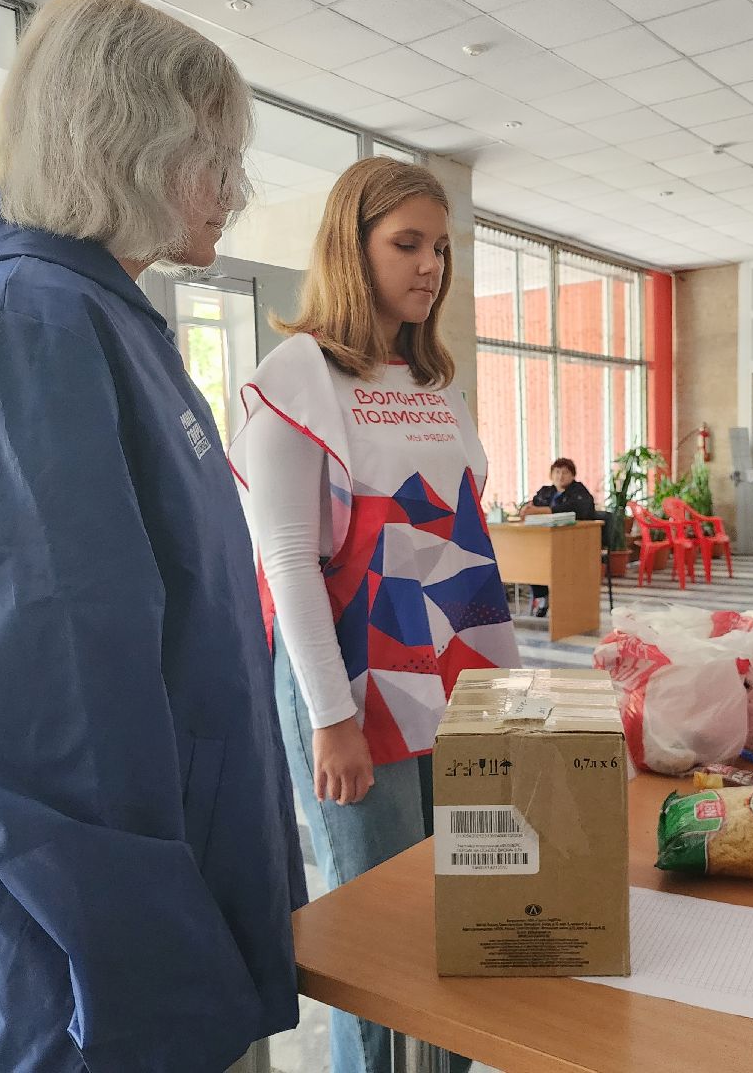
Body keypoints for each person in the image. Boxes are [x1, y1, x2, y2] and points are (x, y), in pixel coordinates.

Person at [0, 0, 306, 1071]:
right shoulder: (25, 323)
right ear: (119, 144)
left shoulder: (92, 313)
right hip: (90, 968)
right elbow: (45, 713)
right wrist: (157, 976)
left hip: (145, 913)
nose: (233, 189)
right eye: (208, 154)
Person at [229, 157, 519, 1073]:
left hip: (459, 680)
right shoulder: (298, 376)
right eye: (406, 244)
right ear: (350, 246)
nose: (430, 266)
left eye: (441, 247)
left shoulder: (435, 383)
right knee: (380, 935)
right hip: (351, 683)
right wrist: (332, 719)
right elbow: (286, 560)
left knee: (470, 904)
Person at [520, 456, 597, 615]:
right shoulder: (545, 492)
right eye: (556, 472)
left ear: (573, 475)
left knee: (555, 561)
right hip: (544, 542)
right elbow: (532, 507)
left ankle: (565, 603)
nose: (560, 476)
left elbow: (573, 510)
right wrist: (526, 509)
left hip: (574, 543)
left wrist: (540, 511)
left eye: (565, 473)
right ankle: (542, 597)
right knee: (529, 559)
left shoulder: (579, 491)